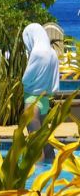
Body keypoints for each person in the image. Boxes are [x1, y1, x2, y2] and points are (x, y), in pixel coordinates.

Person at [22, 23, 60, 153]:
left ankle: (38, 173)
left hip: (32, 102)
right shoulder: (52, 53)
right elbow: (54, 82)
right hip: (44, 101)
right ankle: (51, 170)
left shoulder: (37, 53)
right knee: (46, 142)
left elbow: (26, 79)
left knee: (35, 147)